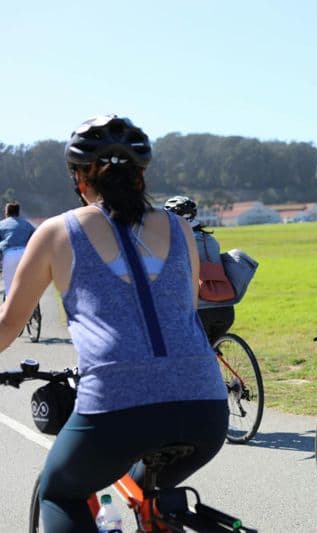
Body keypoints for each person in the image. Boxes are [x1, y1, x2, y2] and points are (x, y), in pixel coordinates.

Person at [0, 115, 228, 532]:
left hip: (117, 406)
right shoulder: (178, 227)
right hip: (206, 408)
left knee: (60, 491)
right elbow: (183, 310)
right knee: (145, 491)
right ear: (141, 177)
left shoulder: (57, 231)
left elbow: (6, 326)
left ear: (79, 178)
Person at [164, 195, 235, 341]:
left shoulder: (179, 241)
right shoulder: (211, 240)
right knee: (209, 348)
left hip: (198, 311)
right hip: (226, 309)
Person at [0, 202, 36, 298]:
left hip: (8, 255)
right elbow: (36, 239)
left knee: (9, 288)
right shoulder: (27, 224)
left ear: (6, 212)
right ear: (18, 212)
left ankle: (9, 304)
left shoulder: (1, 224)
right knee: (27, 286)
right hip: (24, 255)